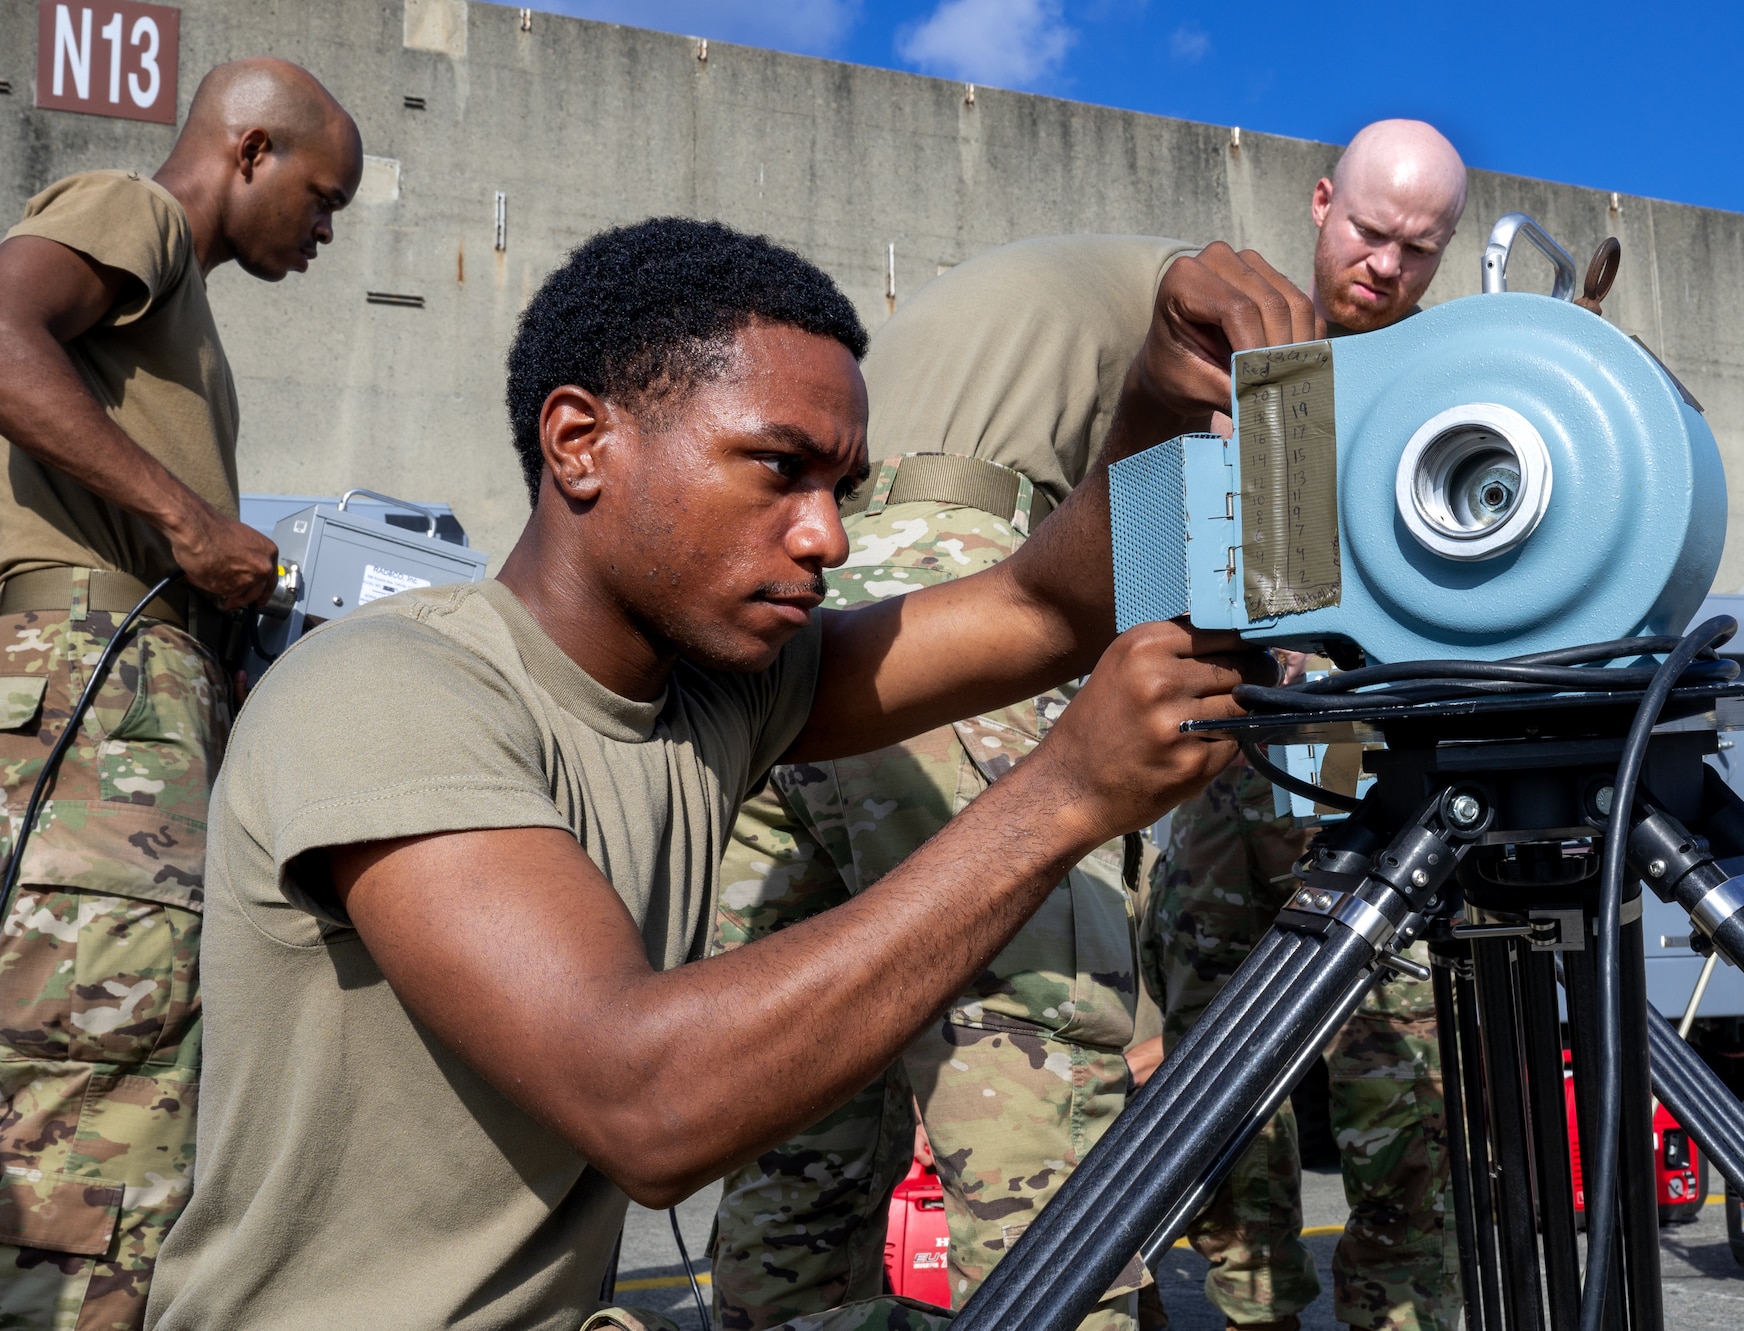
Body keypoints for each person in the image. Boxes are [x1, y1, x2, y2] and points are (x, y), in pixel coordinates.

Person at [142, 216, 1319, 1331]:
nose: (829, 537)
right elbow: (647, 1105)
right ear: (579, 442)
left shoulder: (709, 694)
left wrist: (1163, 396)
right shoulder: (389, 691)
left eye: (839, 488)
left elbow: (1043, 604)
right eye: (776, 467)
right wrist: (1060, 797)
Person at [707, 234, 1197, 1331]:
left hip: (818, 596)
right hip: (962, 582)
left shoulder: (1033, 292)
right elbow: (1172, 533)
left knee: (806, 1065)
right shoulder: (1206, 305)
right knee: (1032, 1050)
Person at [0, 58, 361, 1328]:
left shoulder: (179, 318)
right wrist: (188, 521)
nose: (327, 232)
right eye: (324, 197)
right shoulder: (133, 210)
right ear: (251, 150)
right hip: (100, 709)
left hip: (132, 702)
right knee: (99, 1141)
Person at [1136, 117, 1469, 1331]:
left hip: (1380, 788)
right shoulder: (1207, 347)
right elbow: (1129, 573)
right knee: (1223, 1103)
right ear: (1322, 203)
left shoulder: (1457, 381)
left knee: (1409, 1102)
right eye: (1370, 232)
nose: (1384, 265)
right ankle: (1248, 1312)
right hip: (1223, 789)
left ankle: (1401, 1313)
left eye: (1416, 250)